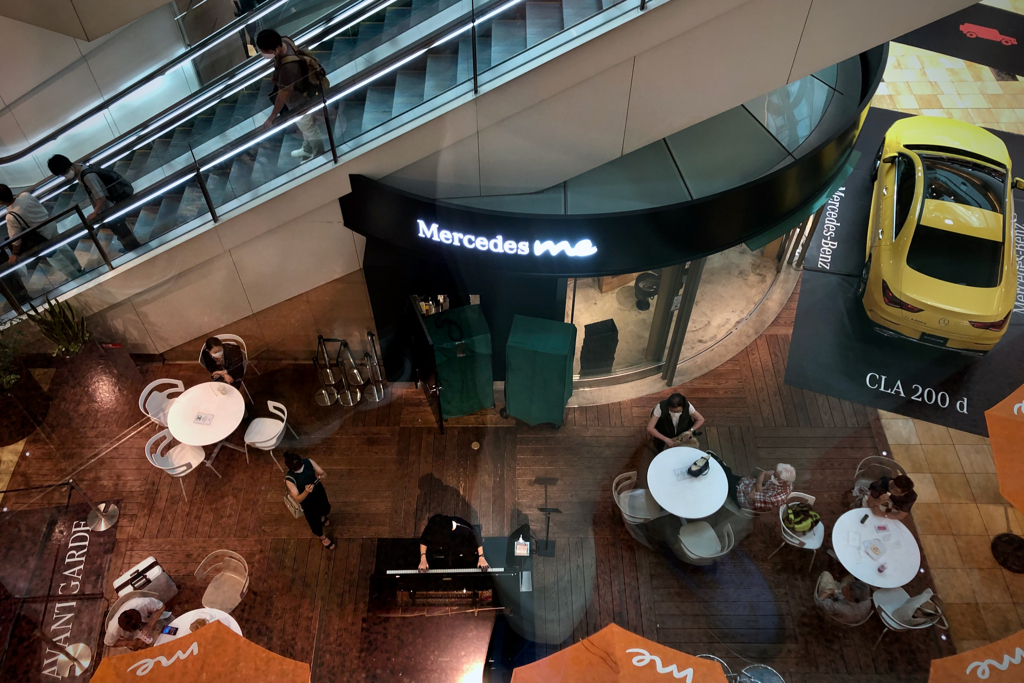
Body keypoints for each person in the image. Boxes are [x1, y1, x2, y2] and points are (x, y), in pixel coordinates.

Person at [46, 155, 141, 253]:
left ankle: (134, 248)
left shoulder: (87, 177)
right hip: (109, 205)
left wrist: (94, 213)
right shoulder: (80, 167)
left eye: (65, 173)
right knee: (119, 229)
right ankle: (129, 246)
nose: (65, 176)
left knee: (120, 229)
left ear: (69, 167)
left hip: (109, 207)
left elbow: (101, 197)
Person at [256, 29, 325, 161]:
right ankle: (307, 149)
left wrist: (271, 117)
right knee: (305, 127)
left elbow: (282, 95)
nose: (263, 54)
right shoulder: (285, 40)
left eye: (265, 51)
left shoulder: (289, 68)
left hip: (299, 102)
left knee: (309, 127)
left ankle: (319, 154)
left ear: (275, 48)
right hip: (301, 92)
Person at [284, 452, 335, 549]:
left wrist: (321, 476)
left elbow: (323, 472)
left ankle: (322, 517)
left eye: (301, 466)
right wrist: (306, 491)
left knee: (325, 507)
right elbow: (298, 498)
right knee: (313, 520)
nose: (300, 469)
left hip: (318, 491)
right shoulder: (289, 479)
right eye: (296, 469)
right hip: (307, 501)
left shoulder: (308, 462)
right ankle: (322, 537)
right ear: (291, 469)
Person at [419, 513, 489, 572]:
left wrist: (481, 557)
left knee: (469, 558)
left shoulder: (463, 528)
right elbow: (424, 540)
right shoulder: (433, 527)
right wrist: (423, 559)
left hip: (462, 544)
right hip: (447, 548)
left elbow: (477, 538)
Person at [103, 595, 168, 649]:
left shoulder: (142, 603)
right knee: (153, 648)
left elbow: (161, 607)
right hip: (132, 637)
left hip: (151, 618)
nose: (140, 628)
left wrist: (150, 624)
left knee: (168, 631)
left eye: (140, 626)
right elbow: (109, 643)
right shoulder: (113, 629)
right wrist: (132, 643)